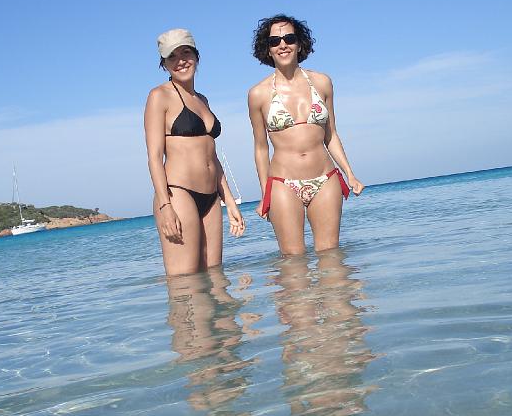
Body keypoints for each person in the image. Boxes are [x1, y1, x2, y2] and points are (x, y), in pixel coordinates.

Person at [248, 14, 364, 255]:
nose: (282, 45)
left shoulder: (322, 83)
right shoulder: (258, 94)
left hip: (325, 178)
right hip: (283, 183)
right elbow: (260, 148)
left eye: (289, 38)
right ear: (268, 49)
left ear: (299, 44)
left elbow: (331, 135)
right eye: (275, 41)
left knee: (331, 258)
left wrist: (350, 173)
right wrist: (265, 194)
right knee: (293, 263)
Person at [145, 28, 245, 275]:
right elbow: (154, 158)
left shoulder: (203, 100)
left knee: (216, 277)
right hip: (178, 193)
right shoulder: (159, 96)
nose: (181, 61)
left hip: (211, 197)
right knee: (185, 282)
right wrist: (165, 206)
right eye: (172, 57)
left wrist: (229, 201)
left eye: (186, 53)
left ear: (196, 56)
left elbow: (212, 157)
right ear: (164, 64)